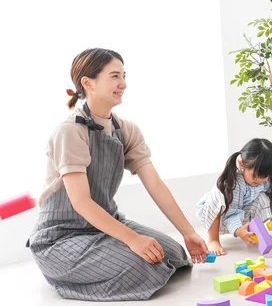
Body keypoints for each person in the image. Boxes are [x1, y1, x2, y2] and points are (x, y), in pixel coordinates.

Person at [28, 48, 209, 301]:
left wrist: (188, 232)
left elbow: (154, 184)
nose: (123, 84)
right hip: (61, 238)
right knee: (143, 264)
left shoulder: (126, 129)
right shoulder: (70, 131)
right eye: (114, 76)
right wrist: (133, 240)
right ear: (87, 82)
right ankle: (63, 274)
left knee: (173, 253)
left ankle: (106, 256)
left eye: (124, 75)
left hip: (104, 225)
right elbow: (81, 202)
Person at [195, 138, 272, 255]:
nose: (259, 180)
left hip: (240, 212)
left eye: (264, 176)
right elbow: (231, 212)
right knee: (221, 195)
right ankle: (213, 239)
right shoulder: (234, 183)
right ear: (241, 164)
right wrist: (238, 230)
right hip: (217, 214)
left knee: (264, 198)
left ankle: (251, 230)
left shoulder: (265, 180)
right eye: (255, 176)